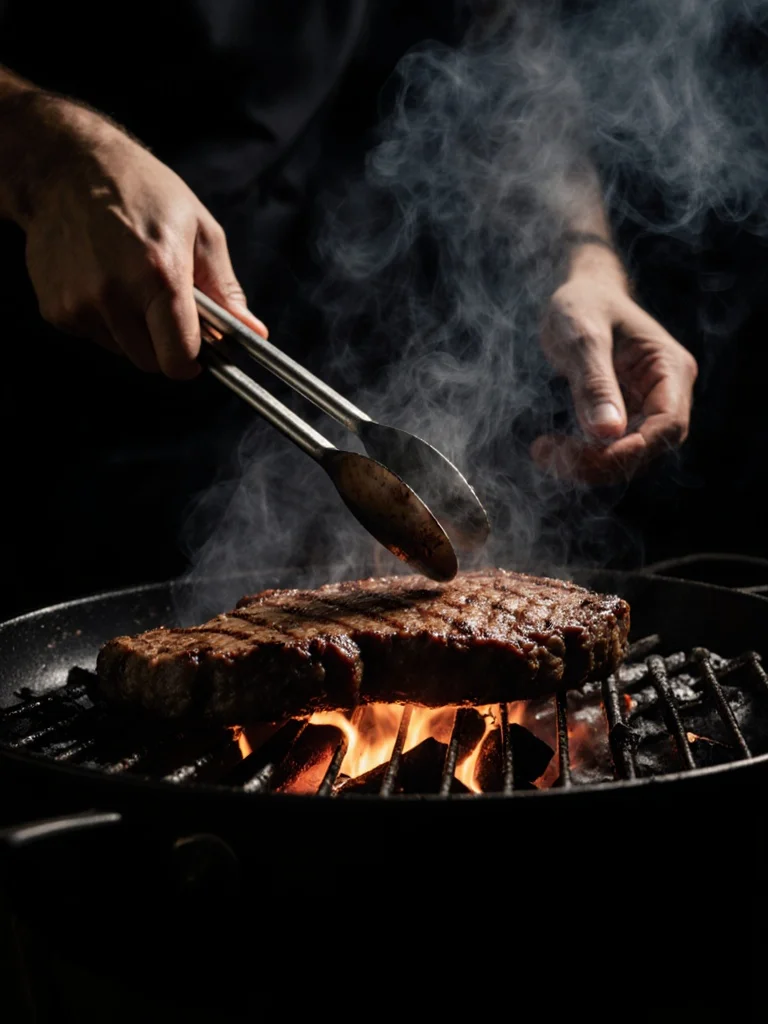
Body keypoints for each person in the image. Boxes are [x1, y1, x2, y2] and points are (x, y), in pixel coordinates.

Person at [0, 1, 697, 619]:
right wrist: (49, 157)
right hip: (46, 405)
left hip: (306, 332)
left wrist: (587, 260)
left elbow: (507, 55)